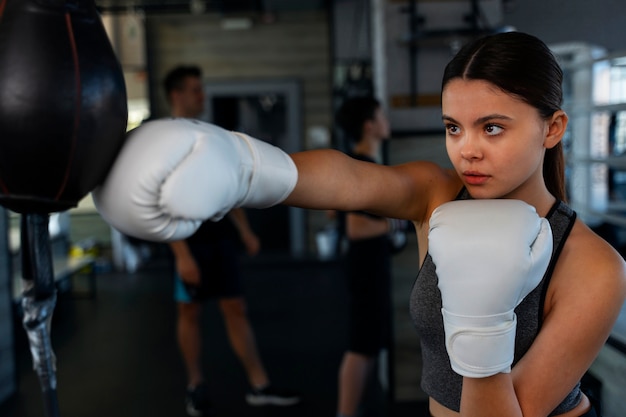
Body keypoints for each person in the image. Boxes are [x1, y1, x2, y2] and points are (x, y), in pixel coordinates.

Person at [95, 32, 626, 417]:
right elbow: (350, 179)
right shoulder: (438, 194)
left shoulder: (594, 266)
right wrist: (245, 168)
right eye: (453, 127)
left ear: (552, 128)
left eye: (492, 128)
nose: (467, 150)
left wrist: (482, 320)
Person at [163, 65, 301, 416]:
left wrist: (246, 230)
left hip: (220, 238)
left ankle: (260, 385)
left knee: (235, 308)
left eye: (201, 89)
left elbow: (228, 185)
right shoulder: (164, 139)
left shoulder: (209, 134)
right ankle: (195, 385)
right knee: (189, 311)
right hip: (187, 241)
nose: (202, 95)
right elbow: (160, 202)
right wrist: (181, 255)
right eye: (195, 90)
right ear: (176, 95)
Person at [333, 96, 397, 417]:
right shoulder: (362, 167)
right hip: (365, 266)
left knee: (369, 346)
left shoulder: (366, 164)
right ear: (369, 126)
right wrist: (397, 223)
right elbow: (356, 228)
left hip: (372, 264)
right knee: (362, 346)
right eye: (381, 115)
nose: (387, 120)